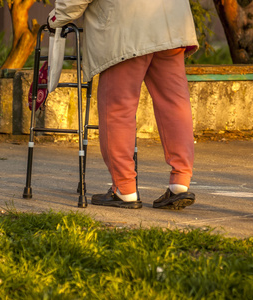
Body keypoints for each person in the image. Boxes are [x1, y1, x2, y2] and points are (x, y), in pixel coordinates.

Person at [48, 0, 199, 209]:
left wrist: (56, 18)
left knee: (118, 108)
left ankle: (124, 188)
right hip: (171, 24)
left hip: (126, 28)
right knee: (175, 104)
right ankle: (180, 183)